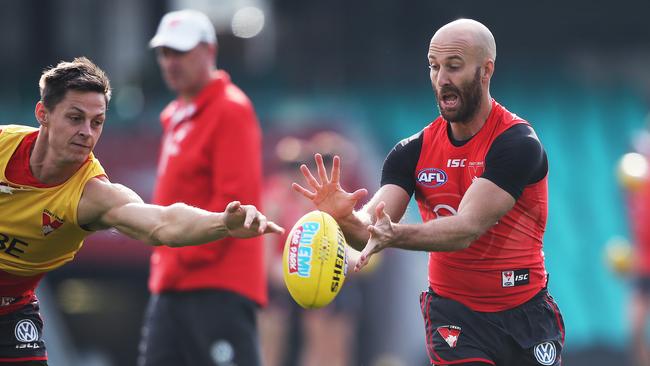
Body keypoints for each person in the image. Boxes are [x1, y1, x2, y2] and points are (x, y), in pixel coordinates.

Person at [293, 19, 565, 366]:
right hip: (456, 318)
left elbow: (466, 229)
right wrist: (345, 218)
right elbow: (371, 230)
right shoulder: (410, 153)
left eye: (454, 66)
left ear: (486, 71)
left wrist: (392, 235)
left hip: (526, 315)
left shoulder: (516, 143)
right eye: (434, 67)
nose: (442, 79)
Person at [0, 57, 282, 366]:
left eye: (97, 123)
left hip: (12, 309)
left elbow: (161, 223)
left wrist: (222, 223)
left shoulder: (93, 195)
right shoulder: (3, 145)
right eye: (75, 118)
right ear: (43, 114)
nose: (87, 133)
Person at [139, 9, 267, 366]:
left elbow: (233, 206)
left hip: (217, 287)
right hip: (171, 286)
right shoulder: (177, 114)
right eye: (164, 53)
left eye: (180, 52)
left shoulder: (230, 109)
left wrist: (177, 251)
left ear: (209, 52)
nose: (170, 62)